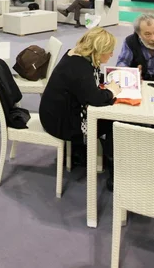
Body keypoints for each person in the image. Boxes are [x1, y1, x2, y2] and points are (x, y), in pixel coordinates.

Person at [39, 27, 121, 189]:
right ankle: (114, 171)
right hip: (60, 123)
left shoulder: (75, 55)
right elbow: (95, 98)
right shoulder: (80, 68)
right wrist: (112, 91)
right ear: (98, 51)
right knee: (113, 123)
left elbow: (87, 85)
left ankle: (84, 153)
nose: (112, 55)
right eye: (109, 51)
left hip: (53, 113)